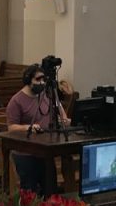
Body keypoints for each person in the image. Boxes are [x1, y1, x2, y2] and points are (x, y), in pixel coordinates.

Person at [6, 65, 71, 195]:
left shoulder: (46, 95)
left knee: (50, 189)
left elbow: (59, 108)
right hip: (26, 153)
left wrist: (64, 119)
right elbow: (11, 128)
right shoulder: (16, 101)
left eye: (43, 79)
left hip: (46, 151)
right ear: (28, 80)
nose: (42, 83)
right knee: (30, 192)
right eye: (38, 79)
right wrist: (28, 127)